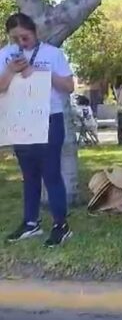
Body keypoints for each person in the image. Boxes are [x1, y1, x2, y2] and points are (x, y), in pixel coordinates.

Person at [1, 13, 75, 247]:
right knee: (29, 173)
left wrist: (43, 73)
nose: (22, 43)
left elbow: (69, 87)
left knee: (51, 172)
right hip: (21, 118)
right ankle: (30, 222)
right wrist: (11, 71)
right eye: (16, 39)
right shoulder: (5, 55)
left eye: (25, 37)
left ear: (35, 31)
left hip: (49, 117)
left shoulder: (52, 54)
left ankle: (60, 225)